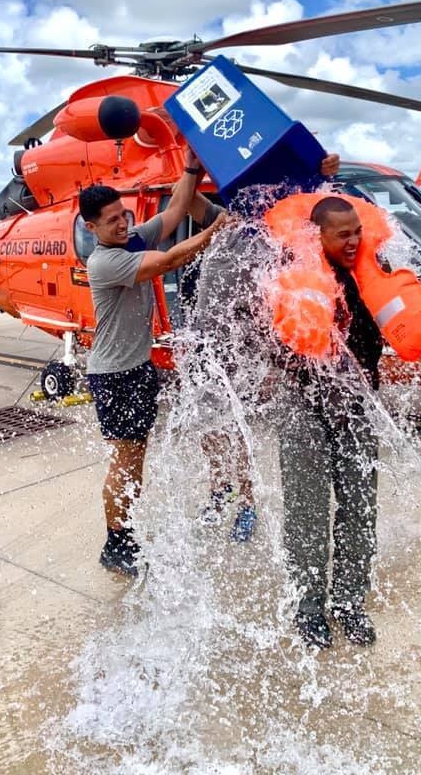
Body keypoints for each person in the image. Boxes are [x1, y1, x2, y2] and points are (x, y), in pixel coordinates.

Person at [79, 151, 225, 577]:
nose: (122, 224)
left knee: (135, 457)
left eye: (123, 215)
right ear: (92, 228)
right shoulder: (106, 261)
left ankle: (126, 533)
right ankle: (116, 542)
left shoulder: (131, 240)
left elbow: (177, 209)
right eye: (111, 221)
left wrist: (193, 168)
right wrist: (213, 230)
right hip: (114, 375)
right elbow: (170, 261)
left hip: (138, 368)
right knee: (125, 459)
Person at [182, 154, 342, 544]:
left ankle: (248, 502)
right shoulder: (224, 222)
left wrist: (321, 176)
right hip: (205, 342)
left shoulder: (280, 234)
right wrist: (191, 167)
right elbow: (186, 202)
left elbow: (324, 213)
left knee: (237, 429)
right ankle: (220, 490)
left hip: (244, 347)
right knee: (209, 426)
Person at [276, 196, 382, 650]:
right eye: (343, 234)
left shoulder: (372, 274)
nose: (354, 240)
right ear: (317, 236)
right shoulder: (289, 279)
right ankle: (309, 608)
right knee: (307, 515)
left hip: (358, 409)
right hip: (303, 408)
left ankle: (349, 603)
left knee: (360, 511)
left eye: (357, 230)